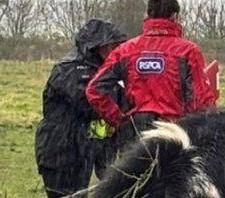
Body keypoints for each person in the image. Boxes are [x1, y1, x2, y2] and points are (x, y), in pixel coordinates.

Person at [35, 19, 126, 198]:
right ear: (96, 46)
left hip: (86, 150)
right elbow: (91, 103)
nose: (115, 51)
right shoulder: (71, 69)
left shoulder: (105, 72)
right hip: (61, 152)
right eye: (111, 46)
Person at [85, 0, 218, 141]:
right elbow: (203, 100)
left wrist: (120, 120)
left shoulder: (126, 50)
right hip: (174, 133)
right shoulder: (188, 51)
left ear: (147, 14)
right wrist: (195, 130)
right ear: (175, 16)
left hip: (136, 134)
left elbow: (94, 90)